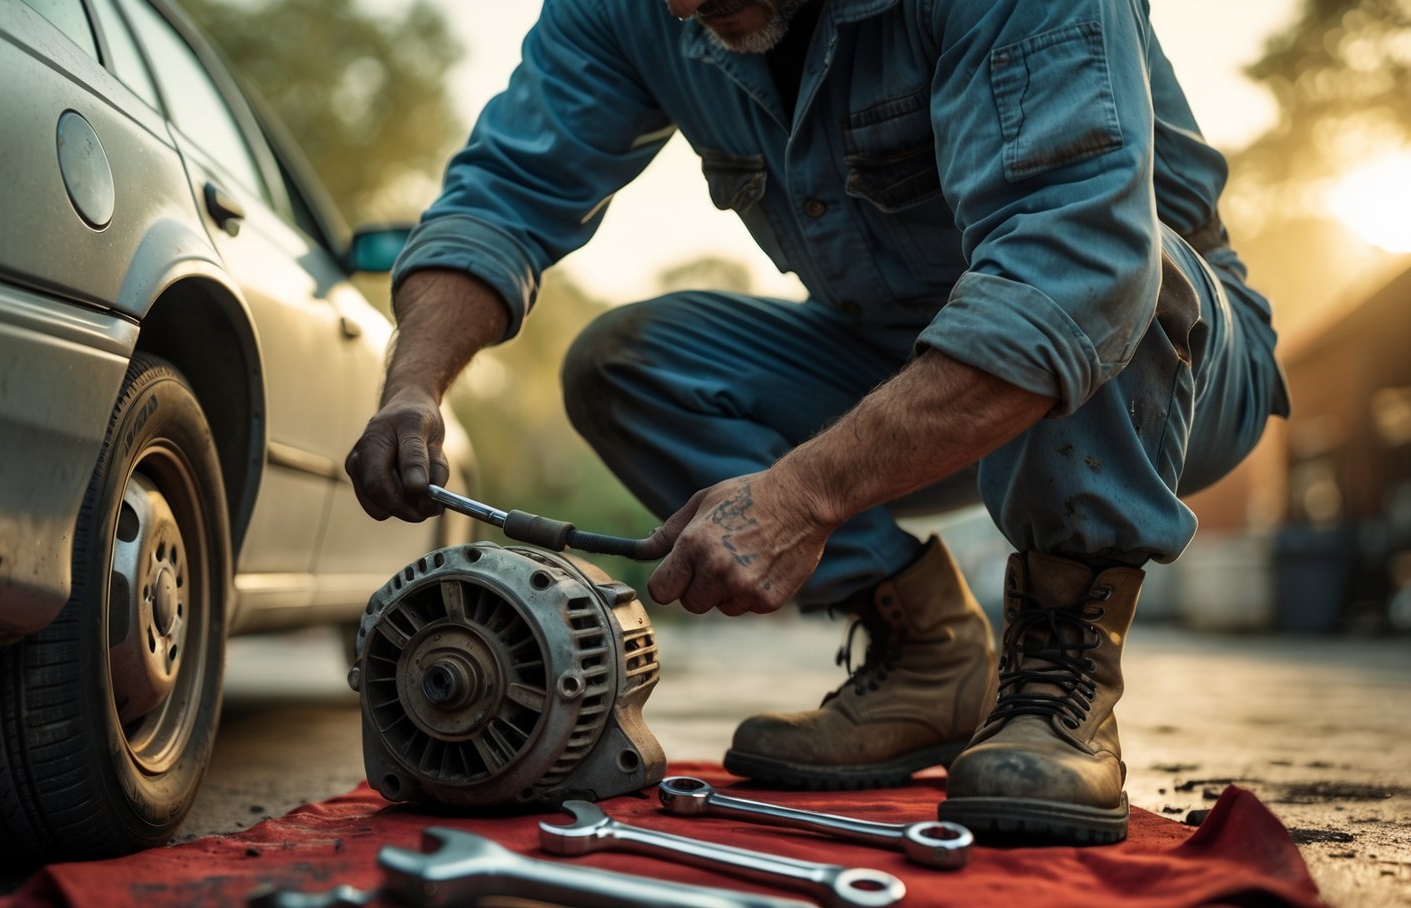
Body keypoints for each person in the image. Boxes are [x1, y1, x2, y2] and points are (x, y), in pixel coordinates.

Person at [345, 0, 1289, 844]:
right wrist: (413, 386)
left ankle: (1059, 678)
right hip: (895, 360)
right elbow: (501, 195)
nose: (683, 6)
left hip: (1169, 361)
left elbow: (1071, 268)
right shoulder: (643, 7)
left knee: (1113, 275)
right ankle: (928, 657)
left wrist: (803, 494)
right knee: (625, 364)